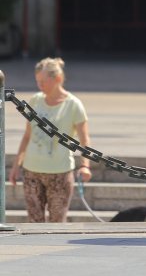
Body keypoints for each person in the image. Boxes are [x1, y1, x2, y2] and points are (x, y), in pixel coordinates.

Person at [8, 58, 93, 223]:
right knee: (34, 222)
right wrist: (16, 165)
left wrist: (85, 166)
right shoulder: (35, 100)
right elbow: (27, 135)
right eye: (37, 81)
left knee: (57, 223)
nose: (40, 86)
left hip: (60, 173)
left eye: (43, 81)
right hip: (32, 171)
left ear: (58, 79)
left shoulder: (74, 105)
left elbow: (84, 139)